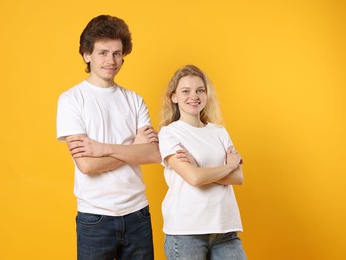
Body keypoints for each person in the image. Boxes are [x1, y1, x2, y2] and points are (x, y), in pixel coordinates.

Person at [56, 15, 160, 260]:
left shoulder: (134, 100)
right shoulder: (72, 100)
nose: (111, 61)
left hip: (138, 214)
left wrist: (101, 148)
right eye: (103, 53)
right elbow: (87, 165)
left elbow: (153, 154)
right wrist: (133, 149)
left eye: (117, 53)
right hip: (95, 218)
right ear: (86, 55)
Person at [158, 65, 246, 259]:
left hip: (225, 230)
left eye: (200, 90)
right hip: (186, 232)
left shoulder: (219, 132)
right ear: (174, 97)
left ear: (206, 95)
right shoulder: (169, 133)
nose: (194, 96)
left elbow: (238, 178)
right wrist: (228, 166)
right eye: (186, 91)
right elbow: (194, 178)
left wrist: (198, 169)